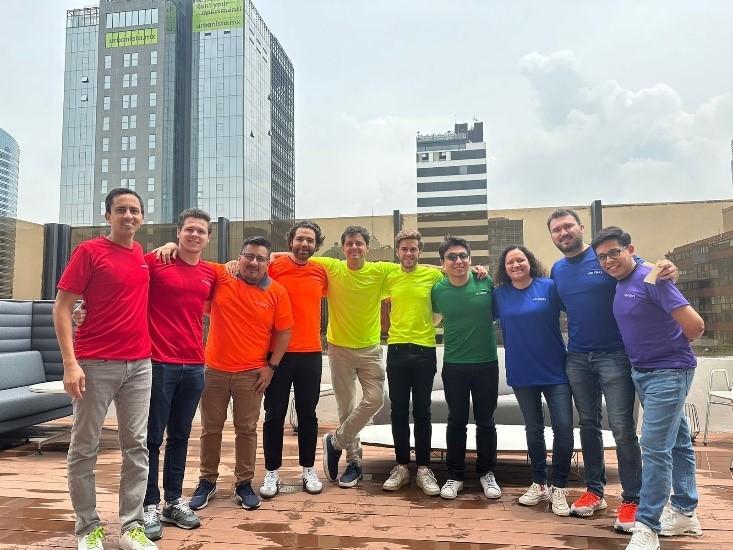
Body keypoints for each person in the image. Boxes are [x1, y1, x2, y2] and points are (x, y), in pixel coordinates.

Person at [74, 209, 216, 541]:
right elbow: (120, 283)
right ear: (178, 233)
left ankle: (173, 501)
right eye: (189, 230)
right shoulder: (154, 262)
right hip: (157, 362)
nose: (195, 236)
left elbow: (242, 273)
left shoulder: (212, 273)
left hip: (195, 364)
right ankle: (148, 505)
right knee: (149, 439)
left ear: (208, 238)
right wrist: (84, 309)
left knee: (180, 436)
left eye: (201, 232)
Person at [547, 209, 676, 532]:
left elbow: (647, 273)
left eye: (567, 226)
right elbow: (567, 308)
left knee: (621, 428)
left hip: (616, 355)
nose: (563, 233)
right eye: (556, 230)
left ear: (580, 228)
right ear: (552, 236)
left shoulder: (606, 257)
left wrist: (669, 269)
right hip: (576, 356)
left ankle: (632, 498)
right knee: (587, 425)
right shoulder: (558, 270)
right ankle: (595, 491)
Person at [53, 188, 157, 550]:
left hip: (140, 365)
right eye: (121, 210)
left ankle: (132, 527)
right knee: (84, 448)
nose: (129, 216)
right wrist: (70, 364)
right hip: (95, 364)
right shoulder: (89, 251)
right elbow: (63, 307)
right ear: (108, 215)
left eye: (135, 210)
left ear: (142, 217)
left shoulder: (143, 255)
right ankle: (88, 529)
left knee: (137, 447)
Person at [591, 227, 704, 550]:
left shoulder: (651, 276)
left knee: (653, 449)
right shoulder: (623, 280)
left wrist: (668, 352)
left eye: (615, 252)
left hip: (668, 373)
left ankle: (647, 526)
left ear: (630, 249)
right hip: (644, 373)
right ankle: (685, 512)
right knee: (679, 443)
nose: (609, 260)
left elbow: (695, 326)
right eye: (603, 257)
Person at [188, 236, 293, 512]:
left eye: (260, 258)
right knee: (210, 429)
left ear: (268, 263)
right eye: (248, 256)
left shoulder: (277, 292)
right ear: (239, 257)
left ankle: (243, 483)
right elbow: (190, 259)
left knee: (246, 430)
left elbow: (284, 332)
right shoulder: (223, 275)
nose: (253, 262)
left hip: (251, 374)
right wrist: (171, 247)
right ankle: (207, 481)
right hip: (214, 371)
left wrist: (272, 367)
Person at [316, 226, 401, 488]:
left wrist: (466, 270)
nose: (354, 247)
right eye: (350, 243)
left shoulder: (380, 271)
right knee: (346, 407)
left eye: (359, 243)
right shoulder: (332, 268)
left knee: (375, 399)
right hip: (339, 348)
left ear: (367, 248)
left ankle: (336, 442)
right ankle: (354, 462)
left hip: (370, 349)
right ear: (343, 248)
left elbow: (417, 271)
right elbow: (296, 257)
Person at [492, 245, 573, 517]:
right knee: (533, 429)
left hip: (556, 372)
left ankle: (559, 486)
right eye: (510, 262)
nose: (516, 265)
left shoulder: (549, 287)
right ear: (504, 268)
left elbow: (578, 306)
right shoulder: (499, 295)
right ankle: (539, 483)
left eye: (520, 260)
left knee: (563, 427)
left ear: (530, 261)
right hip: (522, 372)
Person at [259, 220, 328, 498]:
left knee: (308, 415)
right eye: (300, 239)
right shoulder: (274, 266)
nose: (304, 245)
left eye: (310, 241)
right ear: (290, 242)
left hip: (311, 353)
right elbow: (248, 265)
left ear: (316, 245)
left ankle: (308, 469)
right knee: (274, 414)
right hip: (277, 353)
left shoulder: (321, 271)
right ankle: (271, 472)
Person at [431, 236, 501, 501]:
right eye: (451, 257)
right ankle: (455, 475)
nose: (458, 261)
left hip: (486, 364)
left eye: (463, 256)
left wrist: (479, 271)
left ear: (471, 260)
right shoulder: (437, 289)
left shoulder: (485, 282)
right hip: (454, 366)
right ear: (443, 263)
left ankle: (486, 473)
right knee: (456, 421)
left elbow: (497, 311)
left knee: (486, 422)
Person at [380, 229, 444, 496]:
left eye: (413, 249)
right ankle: (402, 466)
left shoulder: (433, 275)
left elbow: (445, 299)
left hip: (424, 350)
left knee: (422, 411)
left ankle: (424, 469)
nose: (408, 253)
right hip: (395, 350)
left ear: (420, 251)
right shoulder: (390, 277)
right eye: (404, 249)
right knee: (397, 411)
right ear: (398, 252)